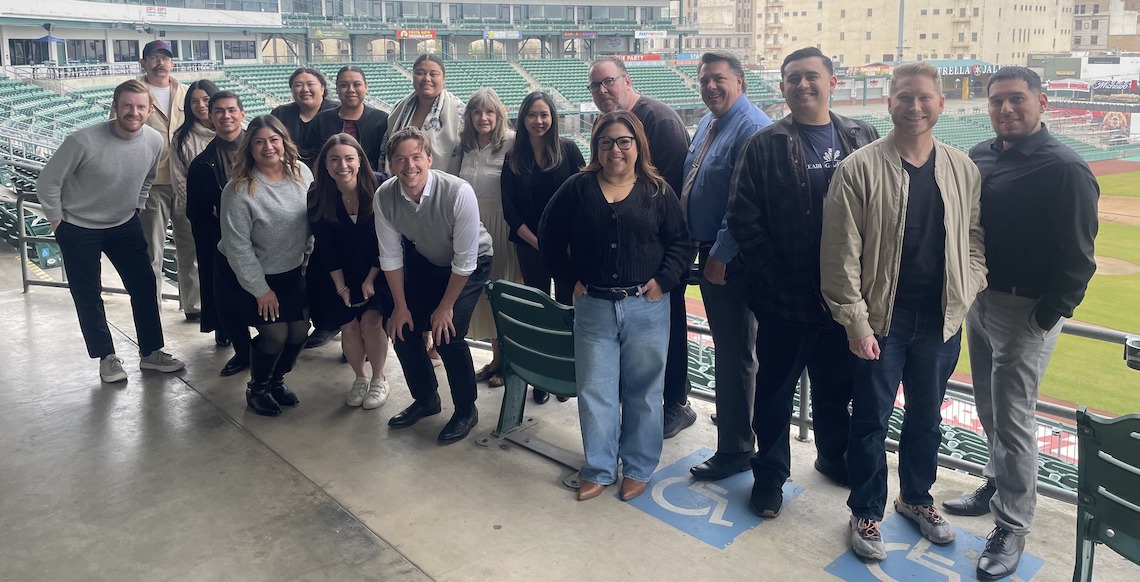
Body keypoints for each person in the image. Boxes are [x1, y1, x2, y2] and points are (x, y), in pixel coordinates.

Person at [819, 62, 987, 562]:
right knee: (870, 419)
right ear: (889, 103)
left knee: (926, 420)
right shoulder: (859, 168)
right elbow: (840, 254)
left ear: (940, 103)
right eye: (904, 97)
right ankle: (866, 510)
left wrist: (969, 285)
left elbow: (975, 239)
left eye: (925, 98)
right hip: (882, 322)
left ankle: (916, 498)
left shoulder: (961, 168)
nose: (915, 107)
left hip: (940, 321)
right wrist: (855, 321)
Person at [944, 66, 1099, 581]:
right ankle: (996, 482)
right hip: (982, 300)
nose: (1005, 110)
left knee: (1013, 419)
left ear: (1042, 101)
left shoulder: (1066, 168)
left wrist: (1045, 316)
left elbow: (1079, 259)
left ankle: (1012, 524)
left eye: (1016, 100)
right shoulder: (982, 154)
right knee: (988, 406)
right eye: (996, 102)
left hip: (1026, 310)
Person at [725, 47, 879, 516]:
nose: (802, 85)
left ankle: (833, 457)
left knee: (839, 391)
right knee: (773, 396)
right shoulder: (765, 143)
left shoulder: (863, 135)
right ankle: (769, 476)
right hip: (785, 302)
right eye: (792, 78)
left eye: (811, 76)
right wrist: (776, 276)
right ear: (783, 88)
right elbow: (742, 218)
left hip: (845, 302)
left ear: (832, 81)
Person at [539, 110, 689, 502]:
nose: (616, 150)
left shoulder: (657, 191)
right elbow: (549, 236)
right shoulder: (577, 188)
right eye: (606, 142)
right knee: (596, 391)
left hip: (646, 306)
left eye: (625, 141)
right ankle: (600, 467)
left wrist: (664, 281)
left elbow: (680, 242)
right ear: (596, 148)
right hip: (594, 308)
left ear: (638, 146)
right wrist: (569, 281)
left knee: (643, 392)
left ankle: (638, 466)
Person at [37, 79, 186, 382]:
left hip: (123, 224)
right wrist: (58, 223)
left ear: (149, 110)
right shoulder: (82, 141)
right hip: (78, 227)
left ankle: (151, 352)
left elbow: (147, 177)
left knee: (144, 286)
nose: (134, 112)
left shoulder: (155, 141)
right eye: (127, 105)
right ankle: (106, 357)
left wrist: (138, 206)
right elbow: (47, 183)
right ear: (115, 107)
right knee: (88, 294)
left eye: (141, 106)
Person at [588, 56, 696, 438]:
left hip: (660, 252)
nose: (602, 91)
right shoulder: (615, 123)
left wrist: (664, 268)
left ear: (627, 81)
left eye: (608, 82)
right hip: (627, 256)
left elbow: (667, 197)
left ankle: (675, 404)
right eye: (595, 86)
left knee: (670, 329)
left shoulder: (659, 120)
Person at [677, 51, 772, 483]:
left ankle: (735, 448)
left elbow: (746, 204)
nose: (710, 87)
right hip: (707, 249)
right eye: (704, 81)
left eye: (718, 79)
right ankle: (738, 423)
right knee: (729, 350)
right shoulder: (711, 122)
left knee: (735, 354)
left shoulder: (752, 127)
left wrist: (720, 254)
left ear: (740, 81)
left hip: (730, 258)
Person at [375, 127, 493, 444]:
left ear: (429, 158)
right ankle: (427, 399)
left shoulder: (458, 191)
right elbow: (390, 257)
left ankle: (466, 409)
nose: (408, 165)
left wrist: (444, 308)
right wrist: (400, 308)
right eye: (399, 159)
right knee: (401, 327)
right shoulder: (384, 196)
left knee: (448, 332)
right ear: (390, 164)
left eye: (416, 157)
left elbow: (465, 260)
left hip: (472, 262)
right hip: (428, 260)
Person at [217, 115, 314, 417]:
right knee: (275, 335)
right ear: (249, 148)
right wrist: (260, 290)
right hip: (249, 274)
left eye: (274, 140)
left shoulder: (302, 173)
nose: (268, 147)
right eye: (259, 141)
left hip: (290, 270)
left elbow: (310, 220)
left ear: (284, 142)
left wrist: (307, 259)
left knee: (299, 331)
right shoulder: (239, 190)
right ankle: (257, 387)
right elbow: (237, 246)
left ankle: (276, 380)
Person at [500, 91, 585, 402]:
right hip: (529, 246)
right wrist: (540, 244)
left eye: (544, 115)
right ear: (523, 119)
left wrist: (562, 244)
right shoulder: (513, 160)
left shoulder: (569, 150)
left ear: (553, 119)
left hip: (568, 249)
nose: (539, 121)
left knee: (566, 310)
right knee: (538, 311)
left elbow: (583, 197)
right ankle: (542, 379)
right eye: (532, 115)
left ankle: (566, 373)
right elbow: (512, 212)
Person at [303, 66, 390, 350]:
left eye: (356, 84)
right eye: (344, 85)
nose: (350, 90)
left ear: (366, 87)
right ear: (335, 89)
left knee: (371, 317)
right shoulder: (323, 120)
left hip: (367, 198)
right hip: (336, 200)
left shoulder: (380, 119)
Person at [308, 134, 393, 410]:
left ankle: (379, 378)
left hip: (378, 266)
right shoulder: (317, 194)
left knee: (371, 322)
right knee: (348, 326)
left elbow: (386, 238)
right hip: (338, 271)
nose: (342, 165)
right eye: (334, 159)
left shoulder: (380, 186)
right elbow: (326, 246)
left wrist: (371, 278)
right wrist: (341, 286)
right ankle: (360, 377)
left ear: (359, 161)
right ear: (326, 165)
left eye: (348, 158)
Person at [449, 88, 517, 388]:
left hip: (502, 223)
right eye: (477, 112)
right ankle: (496, 359)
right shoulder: (462, 146)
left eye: (490, 112)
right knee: (486, 297)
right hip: (473, 225)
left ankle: (512, 365)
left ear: (499, 115)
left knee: (504, 293)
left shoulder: (512, 142)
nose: (483, 117)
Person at [186, 91, 252, 377]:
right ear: (211, 118)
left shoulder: (262, 147)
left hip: (263, 236)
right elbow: (195, 211)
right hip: (221, 239)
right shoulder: (202, 163)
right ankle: (241, 348)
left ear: (241, 113)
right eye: (219, 112)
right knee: (227, 296)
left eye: (231, 110)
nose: (226, 116)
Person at [131, 40, 192, 319]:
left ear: (172, 63)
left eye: (165, 58)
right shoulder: (133, 93)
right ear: (143, 63)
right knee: (151, 254)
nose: (160, 62)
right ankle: (151, 310)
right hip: (150, 185)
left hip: (185, 182)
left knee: (190, 251)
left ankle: (195, 307)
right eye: (153, 58)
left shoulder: (186, 93)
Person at [169, 78, 217, 330]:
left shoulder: (234, 127)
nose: (201, 106)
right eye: (194, 101)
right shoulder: (182, 137)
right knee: (193, 259)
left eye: (206, 100)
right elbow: (180, 180)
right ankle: (195, 307)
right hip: (195, 211)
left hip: (232, 213)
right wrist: (199, 210)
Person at [384, 54, 464, 171]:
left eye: (433, 74)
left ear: (444, 78)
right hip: (404, 180)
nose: (426, 78)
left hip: (445, 184)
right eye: (420, 73)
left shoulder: (460, 112)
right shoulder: (399, 108)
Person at [271, 67, 339, 165]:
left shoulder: (337, 112)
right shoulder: (280, 114)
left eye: (310, 84)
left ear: (322, 89)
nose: (305, 89)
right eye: (298, 85)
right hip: (290, 172)